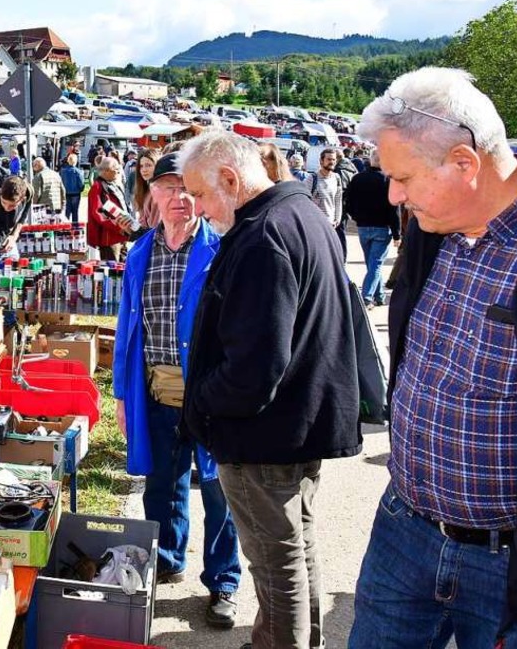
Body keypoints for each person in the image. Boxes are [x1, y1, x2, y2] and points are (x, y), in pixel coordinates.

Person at [349, 68, 517, 648]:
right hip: (405, 527)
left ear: (465, 163)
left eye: (403, 178)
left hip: (505, 568)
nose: (393, 195)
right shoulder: (432, 225)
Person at [178, 130, 361, 649]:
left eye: (202, 194)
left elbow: (254, 369)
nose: (198, 208)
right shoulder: (299, 212)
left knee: (278, 563)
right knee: (295, 552)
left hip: (264, 435)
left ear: (232, 180)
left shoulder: (264, 235)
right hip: (294, 425)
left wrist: (203, 404)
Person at [113, 152, 242, 629]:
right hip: (156, 392)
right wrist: (123, 397)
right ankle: (167, 556)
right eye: (166, 188)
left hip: (209, 397)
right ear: (153, 197)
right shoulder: (140, 253)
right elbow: (127, 332)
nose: (177, 198)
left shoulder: (222, 251)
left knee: (218, 491)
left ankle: (223, 581)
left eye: (186, 188)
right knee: (161, 486)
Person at [343, 150, 399, 308]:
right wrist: (397, 234)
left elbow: (349, 201)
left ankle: (379, 295)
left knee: (373, 263)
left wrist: (356, 217)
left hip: (363, 226)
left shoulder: (358, 178)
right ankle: (366, 298)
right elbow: (394, 209)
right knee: (375, 264)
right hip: (382, 227)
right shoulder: (387, 180)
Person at [86, 156, 134, 261]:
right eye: (116, 169)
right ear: (107, 171)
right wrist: (118, 227)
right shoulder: (97, 187)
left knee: (123, 269)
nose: (118, 171)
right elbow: (98, 214)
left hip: (122, 236)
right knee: (113, 271)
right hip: (110, 238)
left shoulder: (114, 184)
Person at [129, 148, 162, 230]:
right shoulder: (147, 188)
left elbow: (154, 229)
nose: (144, 170)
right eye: (141, 166)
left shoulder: (158, 192)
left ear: (157, 166)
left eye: (148, 165)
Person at [60, 153, 83, 222]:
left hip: (66, 193)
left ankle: (66, 227)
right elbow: (81, 183)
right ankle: (75, 227)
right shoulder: (78, 172)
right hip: (76, 193)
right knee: (75, 212)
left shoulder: (63, 171)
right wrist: (81, 189)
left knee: (67, 211)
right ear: (76, 161)